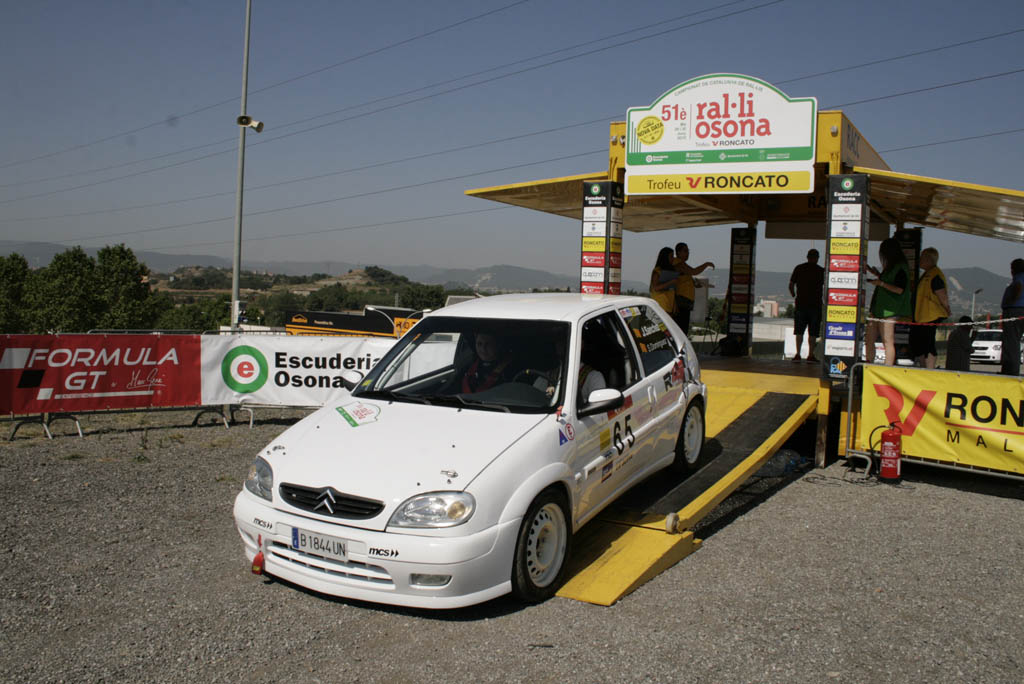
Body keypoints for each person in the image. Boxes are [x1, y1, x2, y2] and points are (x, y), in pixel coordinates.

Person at [865, 238, 912, 365]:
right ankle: (869, 364)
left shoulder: (900, 267)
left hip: (890, 310)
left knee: (887, 341)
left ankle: (887, 367)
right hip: (878, 308)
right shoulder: (891, 266)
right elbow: (888, 281)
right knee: (869, 339)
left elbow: (899, 289)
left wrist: (880, 283)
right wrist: (876, 274)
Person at [911, 247, 951, 369]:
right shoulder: (927, 274)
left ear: (929, 259)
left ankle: (929, 369)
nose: (920, 260)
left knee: (928, 344)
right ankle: (923, 366)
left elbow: (942, 294)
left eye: (922, 257)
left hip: (930, 315)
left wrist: (947, 308)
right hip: (922, 316)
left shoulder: (935, 275)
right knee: (918, 343)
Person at [671, 242, 715, 336]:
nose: (688, 253)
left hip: (685, 302)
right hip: (681, 301)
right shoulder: (679, 264)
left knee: (683, 329)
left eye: (688, 251)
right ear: (678, 252)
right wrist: (706, 264)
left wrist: (696, 284)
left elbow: (687, 279)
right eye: (685, 251)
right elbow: (694, 271)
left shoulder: (682, 264)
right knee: (681, 330)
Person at [788, 248, 824, 362]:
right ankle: (810, 355)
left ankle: (798, 354)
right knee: (813, 333)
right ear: (817, 258)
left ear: (807, 257)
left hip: (801, 305)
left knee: (799, 331)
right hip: (815, 306)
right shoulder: (821, 271)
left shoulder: (799, 268)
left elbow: (791, 284)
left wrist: (793, 294)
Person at [1000, 258, 1024, 376]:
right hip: (1018, 311)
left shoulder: (1019, 277)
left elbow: (1018, 286)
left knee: (1011, 342)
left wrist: (1011, 300)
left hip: (1014, 311)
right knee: (1014, 341)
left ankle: (1010, 371)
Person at [649, 247, 678, 319]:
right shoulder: (657, 271)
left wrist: (674, 305)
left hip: (669, 306)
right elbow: (656, 288)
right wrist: (671, 282)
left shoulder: (671, 271)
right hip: (661, 305)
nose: (673, 259)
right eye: (671, 256)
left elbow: (672, 290)